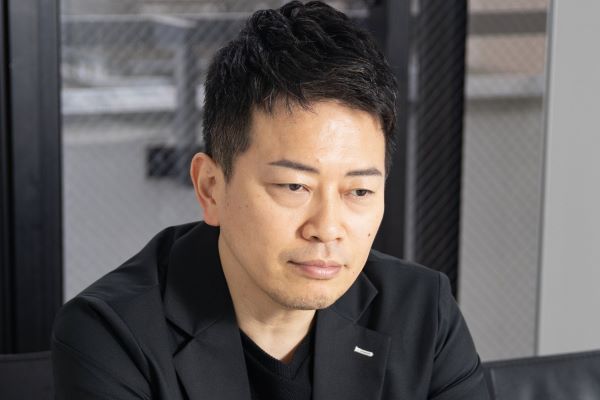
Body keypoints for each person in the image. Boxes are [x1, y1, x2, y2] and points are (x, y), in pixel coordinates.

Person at [52, 1, 489, 399]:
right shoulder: (114, 335)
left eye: (359, 191)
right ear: (210, 188)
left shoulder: (422, 312)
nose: (327, 228)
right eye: (294, 186)